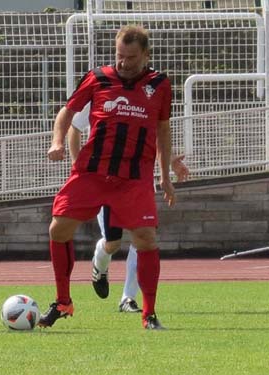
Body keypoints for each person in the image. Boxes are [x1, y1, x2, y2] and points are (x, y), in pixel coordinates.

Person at [39, 25, 175, 330]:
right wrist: (56, 141)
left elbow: (163, 131)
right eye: (120, 56)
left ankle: (148, 314)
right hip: (93, 171)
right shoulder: (98, 77)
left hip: (134, 177)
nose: (124, 63)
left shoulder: (160, 85)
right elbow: (67, 112)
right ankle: (63, 302)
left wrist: (165, 176)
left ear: (146, 55)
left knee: (146, 238)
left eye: (132, 57)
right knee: (58, 228)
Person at [68, 106, 189, 312]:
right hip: (105, 181)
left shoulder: (147, 95)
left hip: (138, 181)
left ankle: (128, 298)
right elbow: (75, 128)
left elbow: (158, 133)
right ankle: (100, 262)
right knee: (112, 243)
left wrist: (170, 163)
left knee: (142, 237)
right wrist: (80, 169)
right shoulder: (101, 90)